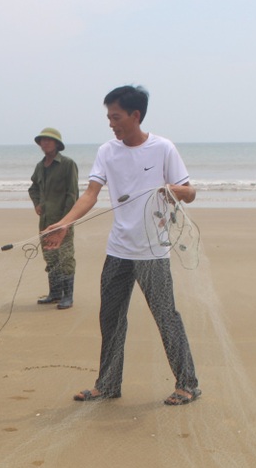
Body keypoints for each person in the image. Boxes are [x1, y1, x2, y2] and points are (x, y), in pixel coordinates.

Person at [41, 85, 201, 406]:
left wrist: (172, 190)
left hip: (153, 252)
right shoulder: (107, 151)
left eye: (116, 117)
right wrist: (65, 222)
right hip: (118, 250)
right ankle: (108, 384)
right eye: (109, 117)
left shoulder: (163, 148)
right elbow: (90, 194)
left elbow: (190, 192)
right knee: (110, 318)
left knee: (165, 316)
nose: (111, 124)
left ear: (135, 116)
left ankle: (187, 384)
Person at [29, 127, 79, 309]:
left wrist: (66, 221)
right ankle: (55, 293)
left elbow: (72, 194)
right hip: (45, 222)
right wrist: (37, 203)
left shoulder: (67, 164)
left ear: (57, 144)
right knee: (50, 257)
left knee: (65, 257)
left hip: (63, 220)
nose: (45, 143)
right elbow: (33, 188)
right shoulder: (40, 166)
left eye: (49, 140)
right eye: (42, 140)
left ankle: (68, 296)